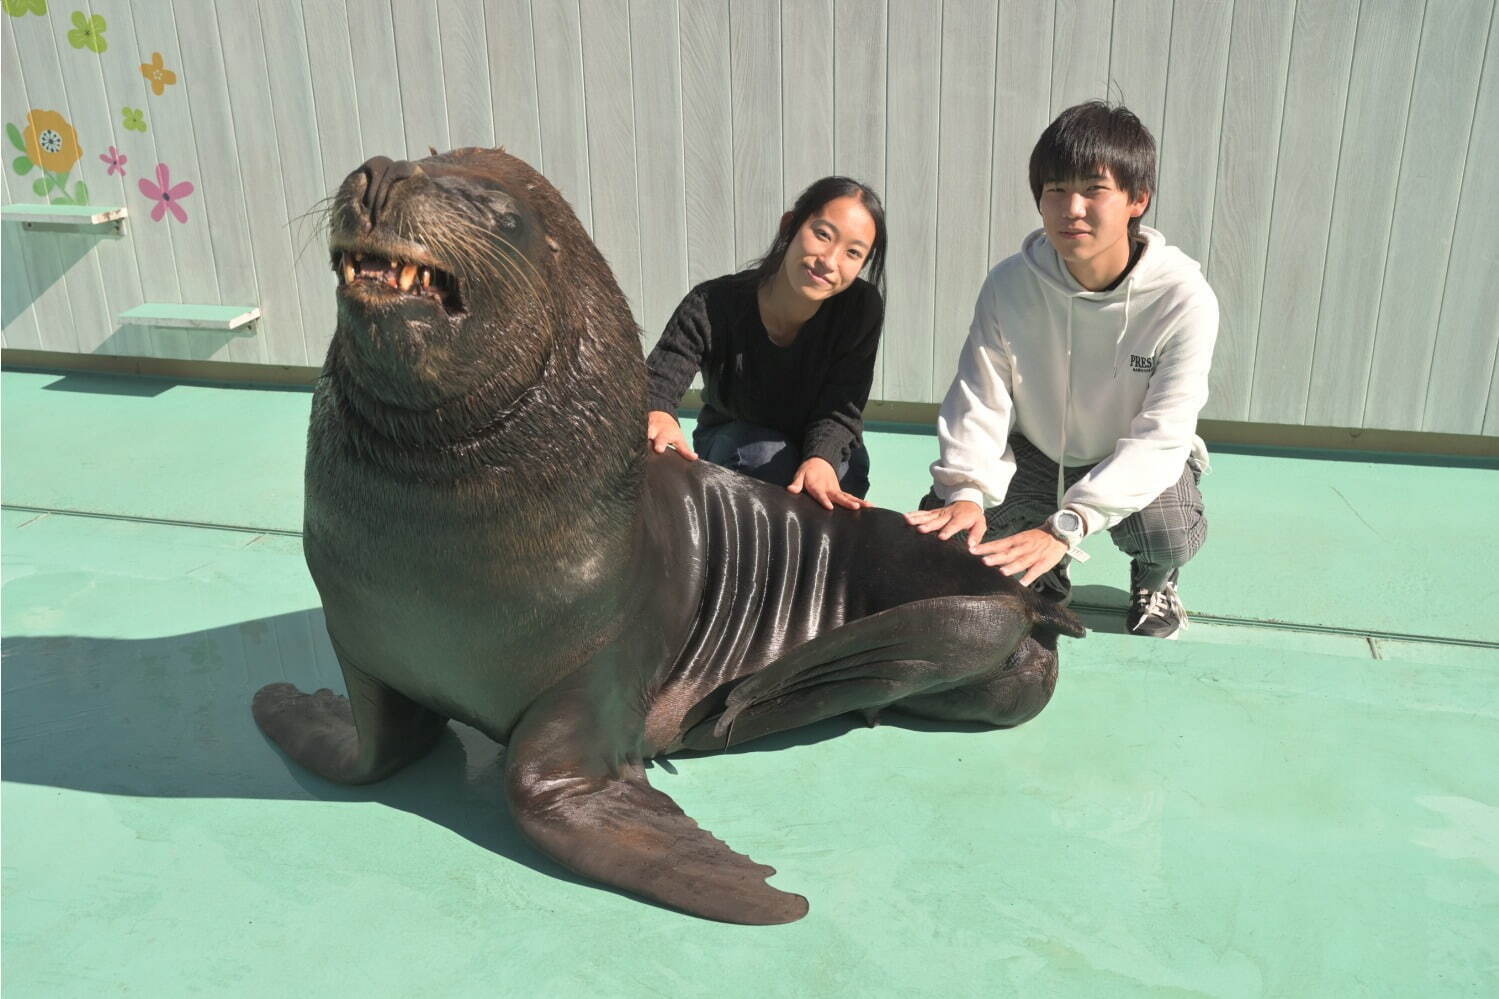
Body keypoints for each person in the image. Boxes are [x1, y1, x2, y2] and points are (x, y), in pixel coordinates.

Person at [905, 101, 1218, 639]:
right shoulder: (1010, 285)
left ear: (1136, 200)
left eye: (1095, 190)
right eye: (1055, 190)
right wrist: (964, 491)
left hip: (1128, 453)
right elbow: (980, 398)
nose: (1072, 208)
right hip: (1038, 450)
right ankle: (1045, 568)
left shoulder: (1182, 299)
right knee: (945, 533)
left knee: (1165, 529)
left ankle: (1157, 579)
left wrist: (1069, 524)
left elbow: (1162, 437)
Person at [644, 176, 887, 511]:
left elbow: (842, 406)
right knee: (763, 457)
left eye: (853, 253)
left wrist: (822, 460)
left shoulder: (860, 308)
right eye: (822, 234)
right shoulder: (713, 303)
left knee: (846, 469)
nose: (829, 261)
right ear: (790, 226)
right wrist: (658, 413)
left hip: (812, 441)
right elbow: (657, 381)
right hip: (734, 442)